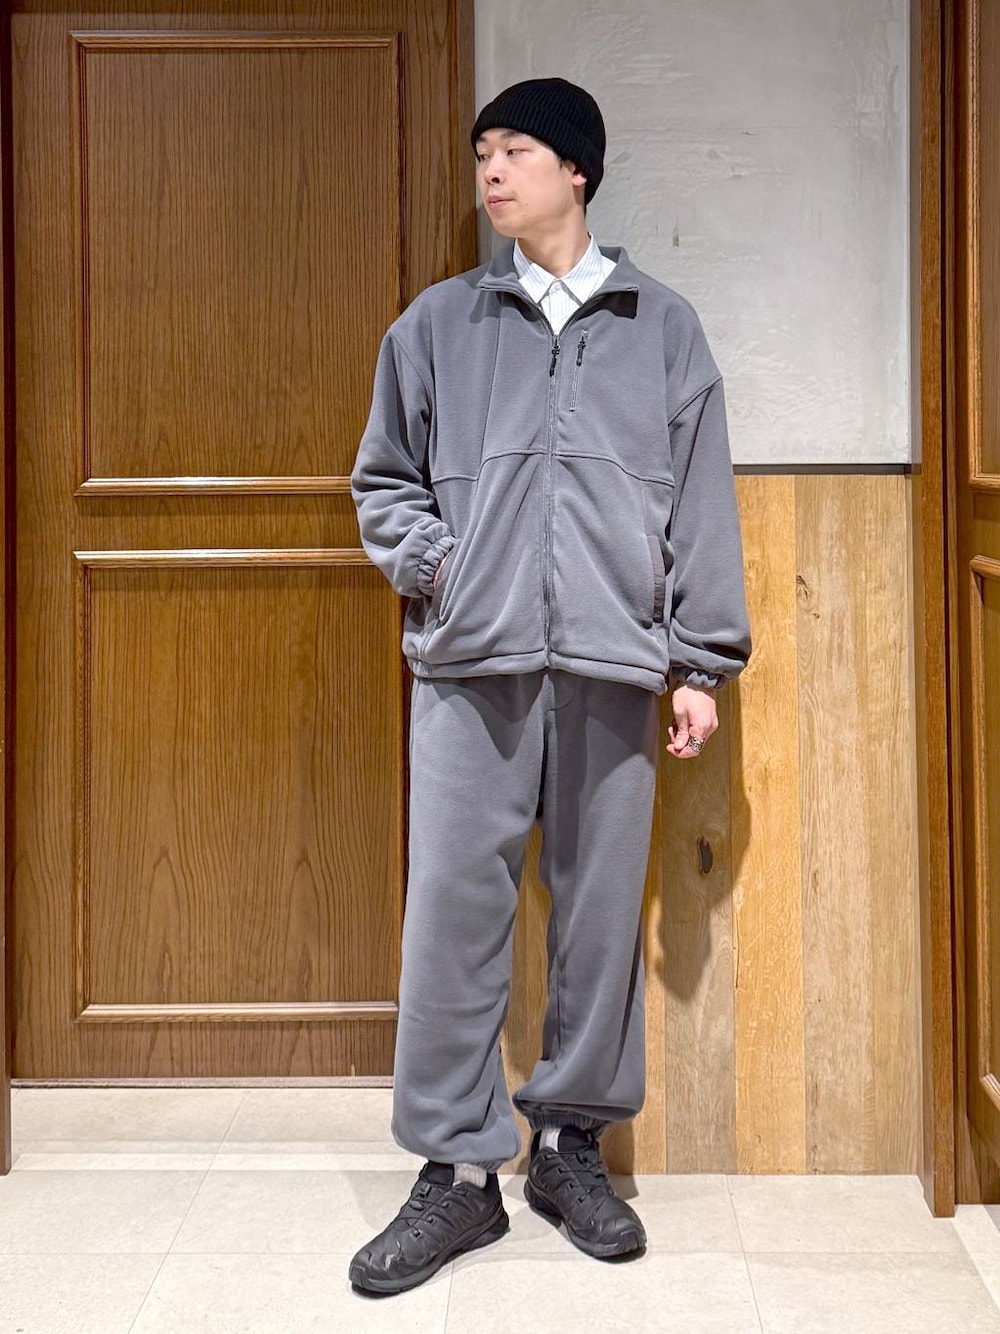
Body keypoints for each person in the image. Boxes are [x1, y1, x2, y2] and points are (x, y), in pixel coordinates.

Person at [347, 76, 752, 1296]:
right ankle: (455, 1171)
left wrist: (698, 660)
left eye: (516, 148)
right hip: (468, 666)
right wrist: (441, 566)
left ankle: (570, 1147)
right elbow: (383, 481)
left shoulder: (662, 328)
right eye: (483, 150)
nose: (491, 169)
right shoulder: (436, 325)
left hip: (613, 662)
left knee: (596, 916)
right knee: (450, 915)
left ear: (577, 169)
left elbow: (699, 500)